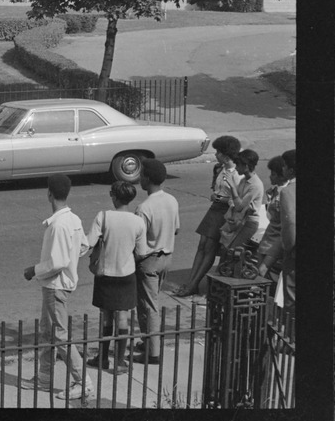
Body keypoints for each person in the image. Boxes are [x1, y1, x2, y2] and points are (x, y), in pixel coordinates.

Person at [20, 174, 90, 400]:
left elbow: (57, 262)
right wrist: (71, 257)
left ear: (49, 193)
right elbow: (83, 246)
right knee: (48, 333)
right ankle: (44, 378)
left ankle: (83, 381)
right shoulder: (74, 219)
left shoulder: (58, 225)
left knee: (59, 335)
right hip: (61, 284)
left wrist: (34, 270)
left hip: (55, 285)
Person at [85, 182, 147, 374]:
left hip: (105, 274)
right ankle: (120, 362)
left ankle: (102, 358)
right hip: (126, 274)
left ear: (114, 197)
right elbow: (142, 252)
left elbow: (89, 242)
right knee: (123, 319)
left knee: (106, 317)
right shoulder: (138, 222)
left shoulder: (103, 217)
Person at [175, 135, 242, 298]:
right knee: (202, 245)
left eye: (218, 151)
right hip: (214, 209)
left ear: (226, 154)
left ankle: (194, 284)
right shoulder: (220, 169)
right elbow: (216, 189)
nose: (215, 154)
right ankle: (191, 281)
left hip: (225, 212)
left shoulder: (237, 174)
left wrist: (220, 198)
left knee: (210, 247)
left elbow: (237, 200)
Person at [133, 159, 180, 363]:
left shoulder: (143, 208)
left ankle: (153, 353)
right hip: (166, 257)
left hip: (149, 261)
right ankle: (148, 340)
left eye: (142, 175)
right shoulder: (171, 200)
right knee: (150, 303)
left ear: (148, 179)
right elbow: (176, 228)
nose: (140, 178)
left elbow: (138, 242)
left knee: (148, 307)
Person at [219, 149, 265, 258]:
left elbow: (239, 206)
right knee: (224, 251)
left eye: (238, 165)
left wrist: (232, 187)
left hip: (249, 223)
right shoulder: (244, 180)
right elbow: (233, 201)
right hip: (238, 220)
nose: (236, 168)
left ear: (247, 166)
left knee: (233, 252)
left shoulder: (255, 185)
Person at [256, 155, 290, 281]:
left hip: (279, 237)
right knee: (259, 266)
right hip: (269, 233)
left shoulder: (287, 193)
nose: (270, 176)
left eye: (273, 174)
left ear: (281, 176)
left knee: (262, 269)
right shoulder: (272, 191)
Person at [278, 149, 296, 311]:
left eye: (284, 166)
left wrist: (288, 247)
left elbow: (290, 222)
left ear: (290, 170)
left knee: (292, 300)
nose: (282, 169)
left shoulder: (288, 191)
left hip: (295, 252)